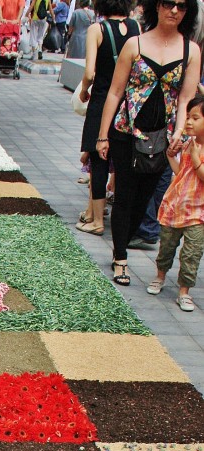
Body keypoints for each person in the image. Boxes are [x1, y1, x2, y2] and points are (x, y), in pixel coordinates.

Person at [97, 0, 201, 285]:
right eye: (169, 4)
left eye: (182, 6)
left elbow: (185, 98)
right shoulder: (135, 44)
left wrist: (179, 132)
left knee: (144, 200)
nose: (174, 11)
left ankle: (122, 243)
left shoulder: (190, 50)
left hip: (161, 137)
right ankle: (120, 258)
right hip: (126, 132)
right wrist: (102, 135)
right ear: (157, 6)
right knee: (125, 195)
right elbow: (115, 92)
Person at [77, 0, 140, 236]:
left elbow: (89, 72)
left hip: (102, 99)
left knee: (98, 160)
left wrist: (84, 90)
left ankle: (96, 220)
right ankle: (110, 216)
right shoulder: (135, 27)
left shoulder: (97, 29)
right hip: (127, 103)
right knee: (122, 159)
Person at [146, 94, 204, 307]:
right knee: (167, 246)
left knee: (192, 253)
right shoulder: (189, 143)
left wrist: (196, 158)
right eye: (187, 117)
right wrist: (171, 156)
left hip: (198, 212)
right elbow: (181, 173)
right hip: (176, 206)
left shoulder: (196, 149)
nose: (188, 122)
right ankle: (160, 276)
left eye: (195, 118)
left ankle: (184, 291)